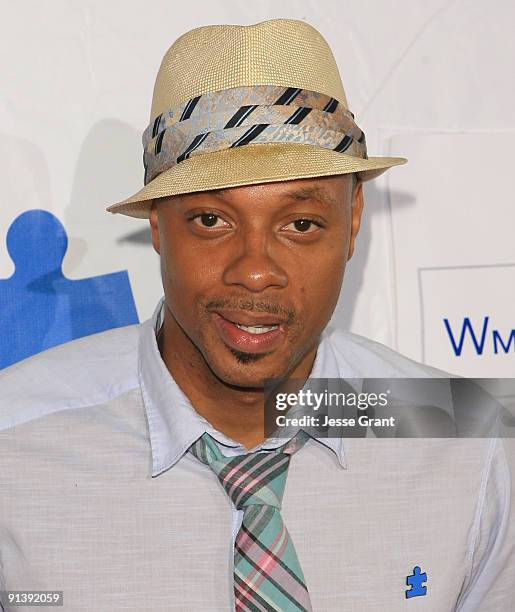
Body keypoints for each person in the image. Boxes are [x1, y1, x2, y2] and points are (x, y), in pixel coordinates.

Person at [0, 18, 513, 612]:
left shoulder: (466, 442)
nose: (255, 269)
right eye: (211, 221)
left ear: (351, 223)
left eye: (300, 224)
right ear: (157, 226)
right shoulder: (15, 447)